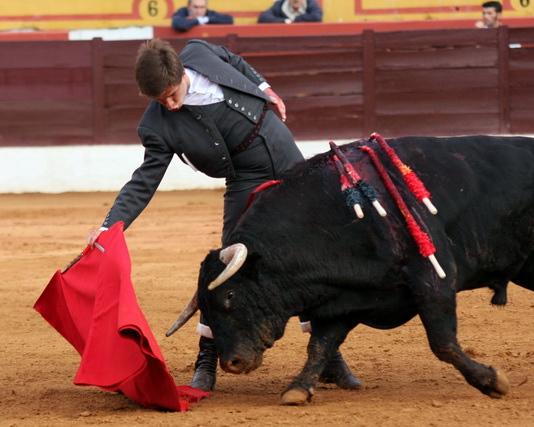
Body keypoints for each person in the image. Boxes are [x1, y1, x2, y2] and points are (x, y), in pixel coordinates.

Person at [86, 38, 361, 393]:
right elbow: (144, 181)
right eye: (159, 101)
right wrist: (110, 226)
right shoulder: (156, 126)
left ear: (184, 72)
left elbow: (236, 60)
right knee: (228, 267)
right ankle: (207, 358)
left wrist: (266, 89)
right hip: (245, 176)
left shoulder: (200, 52)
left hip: (283, 150)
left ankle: (328, 359)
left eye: (172, 94)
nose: (169, 105)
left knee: (312, 254)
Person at [258, 0, 322, 24]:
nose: (296, 0)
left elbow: (317, 16)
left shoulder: (310, 3)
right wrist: (285, 21)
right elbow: (263, 17)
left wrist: (295, 20)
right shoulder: (280, 5)